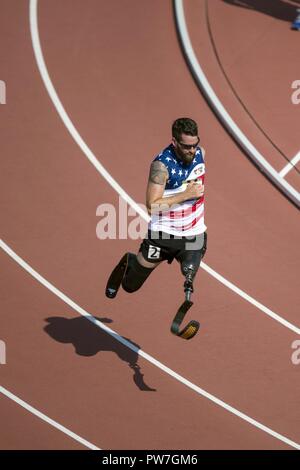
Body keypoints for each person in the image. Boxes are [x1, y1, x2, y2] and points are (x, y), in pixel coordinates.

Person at [105, 118, 207, 339]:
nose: (192, 150)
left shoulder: (201, 154)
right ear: (174, 142)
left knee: (189, 272)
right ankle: (129, 261)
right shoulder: (161, 165)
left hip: (193, 233)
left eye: (195, 144)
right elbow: (152, 206)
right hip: (161, 236)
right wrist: (185, 195)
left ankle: (187, 287)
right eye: (186, 146)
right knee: (131, 286)